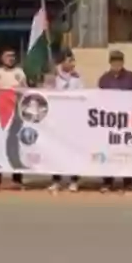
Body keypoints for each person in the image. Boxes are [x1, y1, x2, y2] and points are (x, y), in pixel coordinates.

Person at [98, 49, 132, 192]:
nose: (116, 63)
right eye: (114, 61)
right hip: (110, 122)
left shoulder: (131, 77)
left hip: (127, 121)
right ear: (110, 62)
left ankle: (128, 182)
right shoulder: (104, 79)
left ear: (123, 62)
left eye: (119, 60)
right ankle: (108, 182)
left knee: (127, 151)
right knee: (108, 151)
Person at [0, 48, 28, 192]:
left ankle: (17, 180)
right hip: (0, 115)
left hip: (16, 114)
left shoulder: (19, 73)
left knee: (15, 144)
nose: (11, 58)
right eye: (8, 56)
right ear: (2, 58)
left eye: (13, 56)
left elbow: (25, 91)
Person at [45, 52, 83, 192]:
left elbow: (82, 95)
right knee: (56, 149)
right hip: (56, 119)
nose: (72, 64)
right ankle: (56, 180)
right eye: (70, 61)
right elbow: (47, 94)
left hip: (73, 119)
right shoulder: (53, 77)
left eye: (73, 61)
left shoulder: (76, 78)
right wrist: (50, 82)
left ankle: (74, 180)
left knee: (73, 149)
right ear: (62, 63)